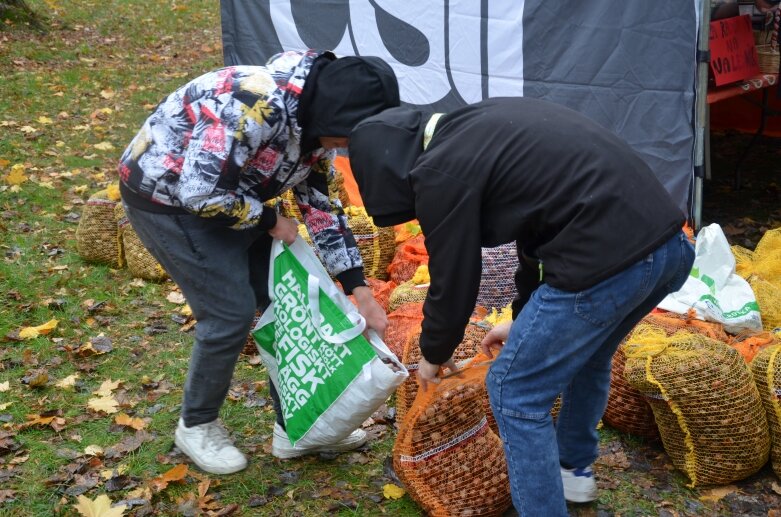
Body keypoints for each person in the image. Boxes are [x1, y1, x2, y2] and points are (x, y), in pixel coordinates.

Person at [348, 97, 695, 516]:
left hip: (607, 261)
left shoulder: (440, 170)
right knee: (589, 357)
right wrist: (522, 317)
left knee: (514, 392)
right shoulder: (482, 126)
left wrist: (433, 355)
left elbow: (455, 274)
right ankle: (572, 470)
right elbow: (539, 231)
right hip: (668, 251)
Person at [117, 49, 399, 474]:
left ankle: (296, 429)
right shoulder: (251, 102)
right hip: (165, 198)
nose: (344, 147)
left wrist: (360, 289)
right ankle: (197, 425)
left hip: (233, 196)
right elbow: (198, 192)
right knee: (228, 313)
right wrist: (268, 219)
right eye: (345, 138)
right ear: (333, 117)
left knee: (286, 303)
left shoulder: (317, 126)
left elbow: (321, 208)